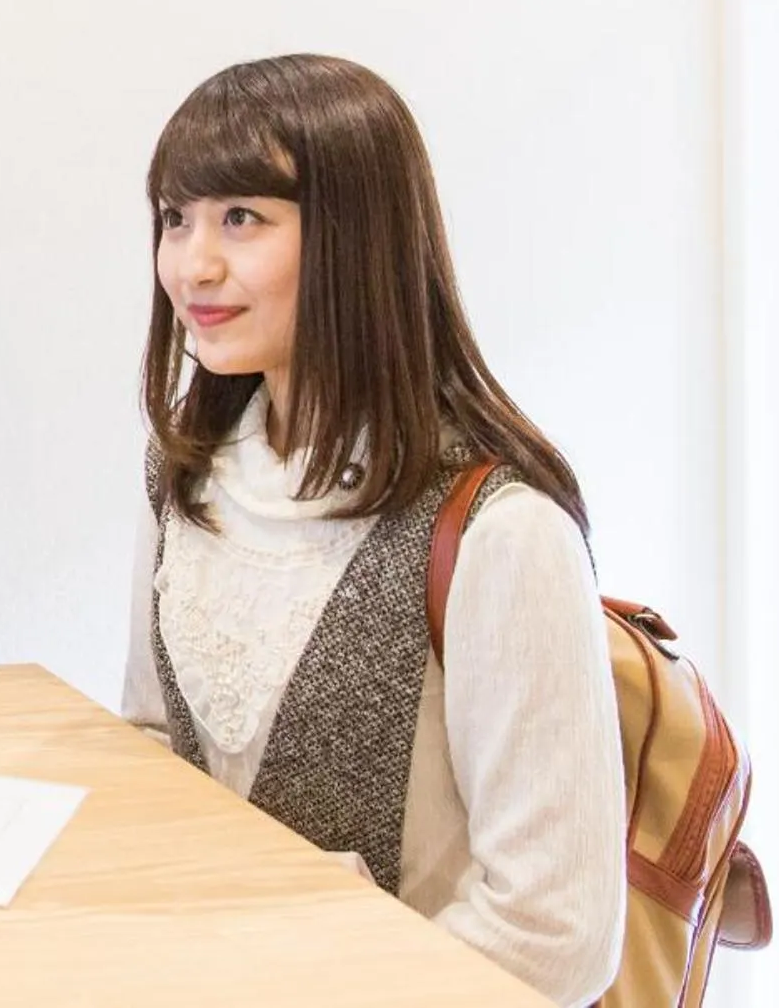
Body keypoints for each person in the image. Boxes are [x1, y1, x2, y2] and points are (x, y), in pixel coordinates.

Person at [120, 54, 623, 1004]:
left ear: (360, 239)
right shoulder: (183, 473)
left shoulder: (500, 534)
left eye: (243, 218)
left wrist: (307, 970)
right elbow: (154, 741)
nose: (193, 263)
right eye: (175, 218)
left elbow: (556, 933)